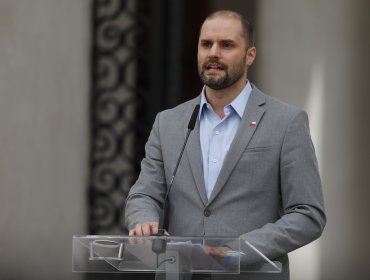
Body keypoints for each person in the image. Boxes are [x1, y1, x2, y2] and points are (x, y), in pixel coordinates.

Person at [125, 10, 326, 280]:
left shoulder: (287, 122)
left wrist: (238, 250)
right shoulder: (168, 123)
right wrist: (143, 220)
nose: (213, 53)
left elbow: (308, 214)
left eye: (227, 45)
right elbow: (144, 194)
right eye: (206, 44)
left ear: (250, 55)